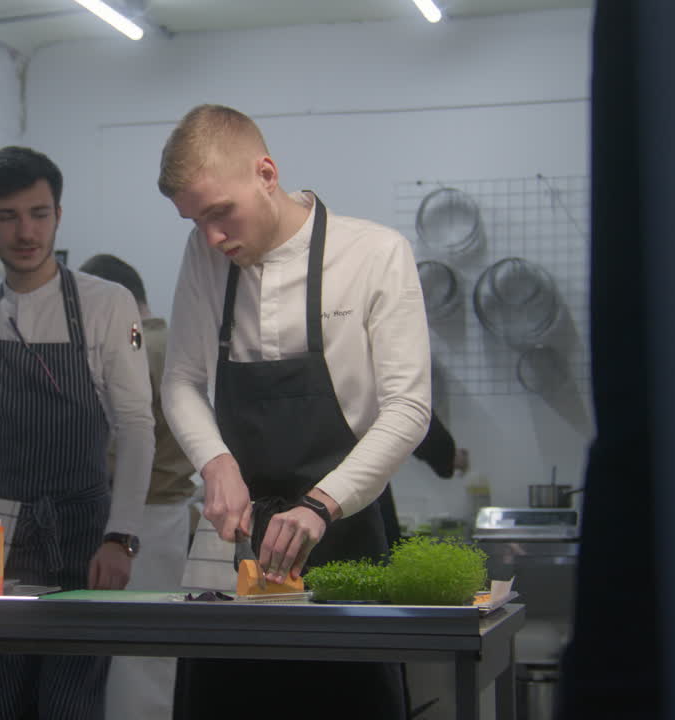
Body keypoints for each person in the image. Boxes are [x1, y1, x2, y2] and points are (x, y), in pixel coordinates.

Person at [158, 104, 432, 719]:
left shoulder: (375, 253)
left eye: (219, 212)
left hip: (347, 530)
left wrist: (320, 504)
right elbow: (181, 379)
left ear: (266, 172)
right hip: (240, 536)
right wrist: (216, 461)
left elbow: (409, 408)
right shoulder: (204, 258)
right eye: (194, 220)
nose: (211, 237)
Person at [0, 146, 155, 720]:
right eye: (8, 216)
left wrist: (121, 536)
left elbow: (135, 426)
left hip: (86, 534)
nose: (26, 231)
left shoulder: (107, 304)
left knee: (69, 703)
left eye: (39, 213)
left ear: (57, 213)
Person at [79, 253, 196, 720]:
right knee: (153, 660)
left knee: (129, 662)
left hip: (137, 519)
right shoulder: (173, 343)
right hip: (170, 515)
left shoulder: (135, 349)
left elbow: (121, 444)